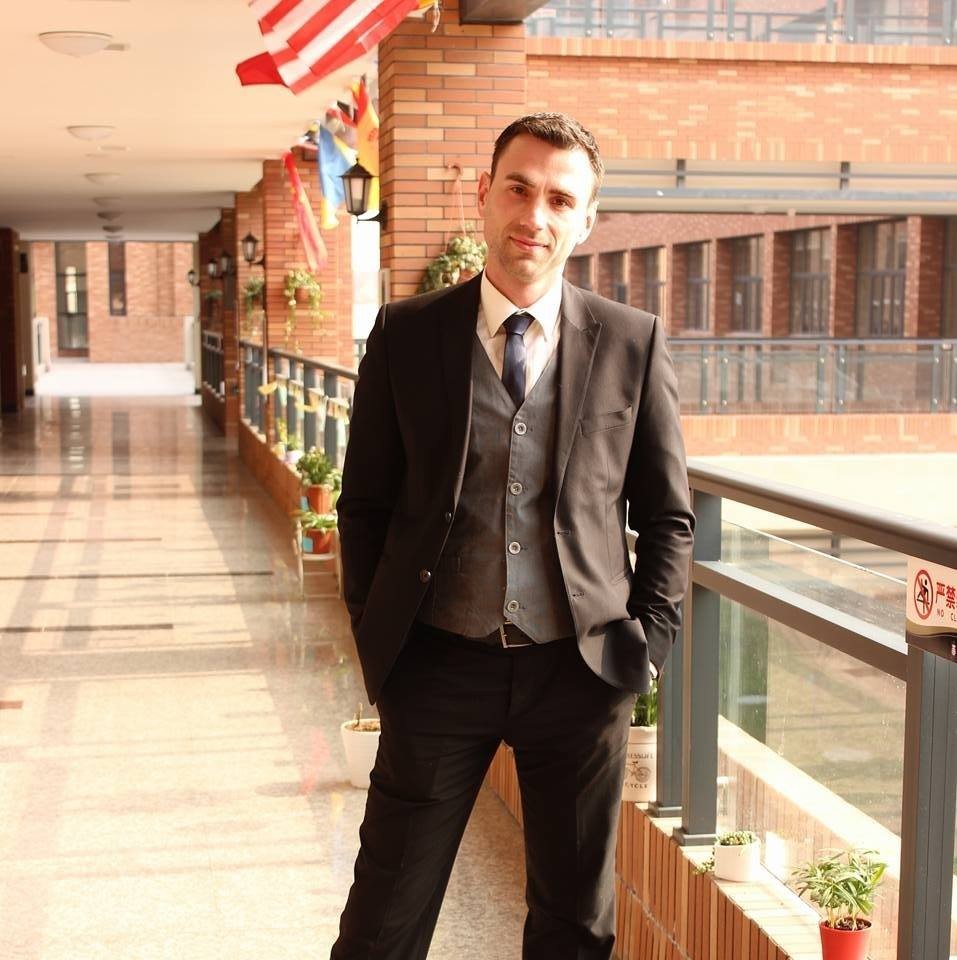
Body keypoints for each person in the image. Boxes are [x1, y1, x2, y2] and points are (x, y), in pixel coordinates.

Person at [331, 112, 694, 960]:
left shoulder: (631, 341)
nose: (535, 215)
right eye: (518, 189)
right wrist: (379, 635)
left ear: (586, 220)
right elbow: (365, 504)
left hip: (580, 668)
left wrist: (644, 649)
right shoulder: (406, 333)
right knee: (384, 913)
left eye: (560, 200)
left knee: (574, 919)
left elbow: (667, 514)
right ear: (483, 195)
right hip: (437, 662)